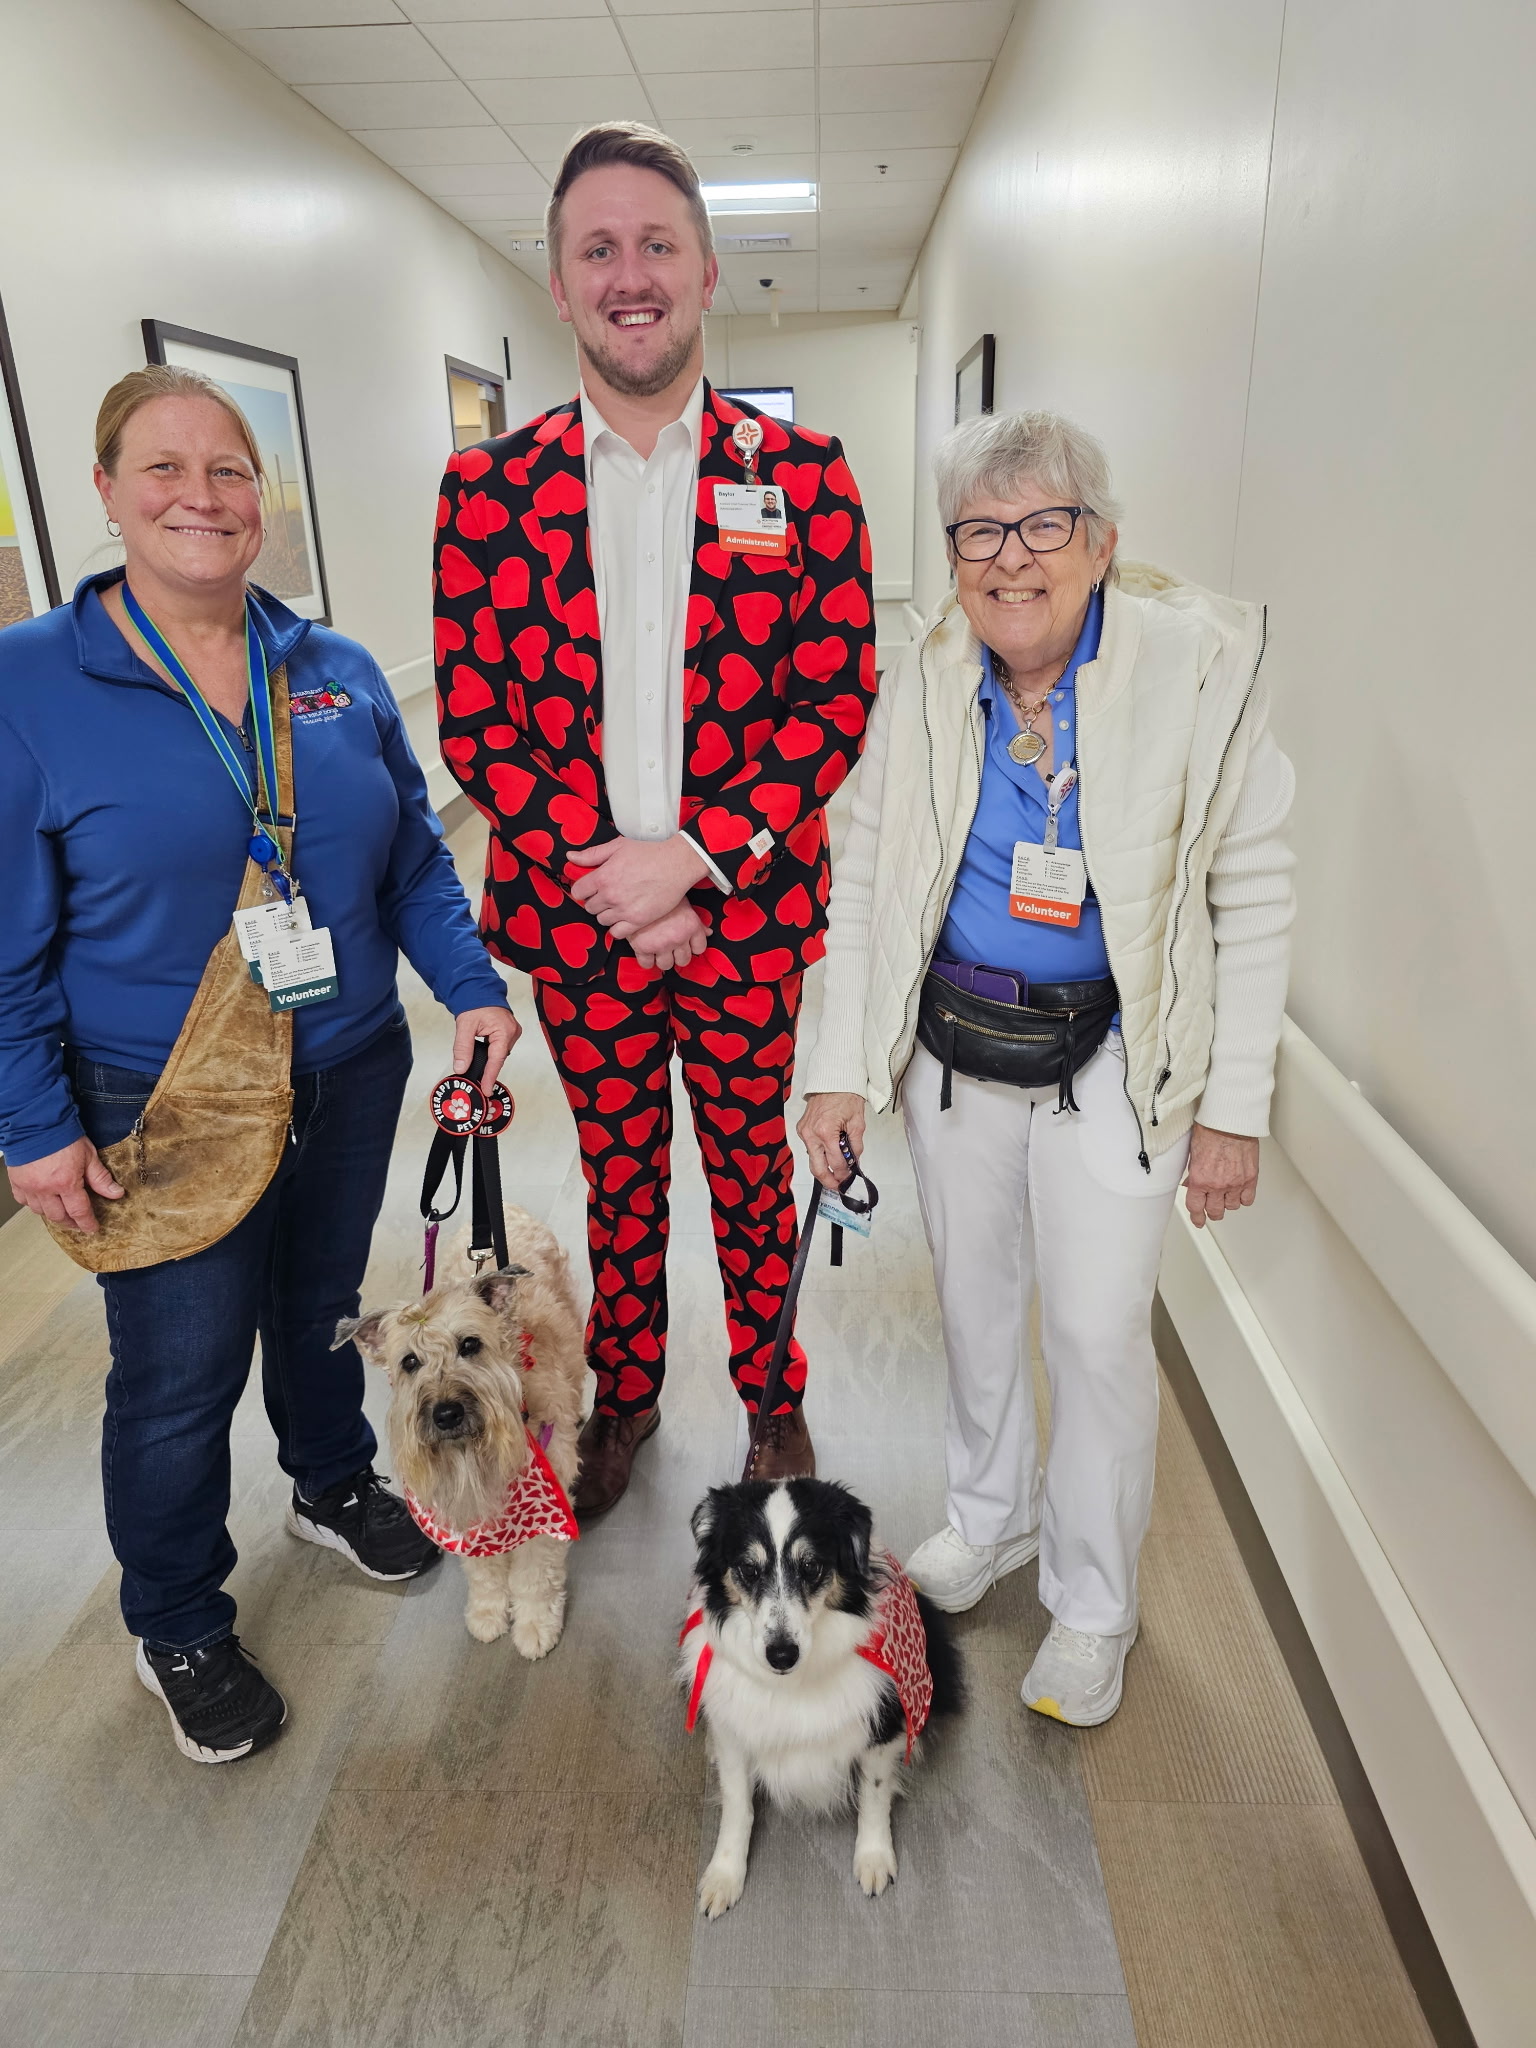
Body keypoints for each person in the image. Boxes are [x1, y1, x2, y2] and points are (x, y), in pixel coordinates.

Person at [0, 366, 517, 1763]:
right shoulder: (32, 682)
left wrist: (468, 991)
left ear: (264, 499)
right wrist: (32, 1124)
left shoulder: (332, 669)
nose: (202, 498)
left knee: (316, 1313)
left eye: (230, 471)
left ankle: (331, 1480)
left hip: (345, 1066)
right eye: (163, 470)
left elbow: (412, 857)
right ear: (103, 492)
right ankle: (176, 1616)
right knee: (175, 1377)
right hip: (152, 1101)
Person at [798, 410, 1294, 1726]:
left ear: (1101, 541)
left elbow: (1255, 889)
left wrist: (1234, 1110)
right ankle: (989, 1516)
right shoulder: (921, 678)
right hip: (956, 1054)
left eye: (1042, 525)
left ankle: (1091, 1608)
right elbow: (862, 880)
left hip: (1118, 1062)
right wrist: (837, 1068)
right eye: (980, 532)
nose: (1010, 558)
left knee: (1092, 1335)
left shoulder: (1195, 669)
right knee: (971, 1309)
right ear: (953, 550)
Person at [435, 122, 876, 1514]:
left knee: (750, 1180)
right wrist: (614, 878)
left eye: (657, 245)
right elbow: (477, 719)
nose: (631, 273)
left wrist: (691, 861)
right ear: (559, 286)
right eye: (598, 249)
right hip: (581, 932)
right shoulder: (488, 493)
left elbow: (832, 702)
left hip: (740, 924)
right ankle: (624, 1401)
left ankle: (772, 1407)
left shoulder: (803, 478)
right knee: (623, 1182)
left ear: (706, 270)